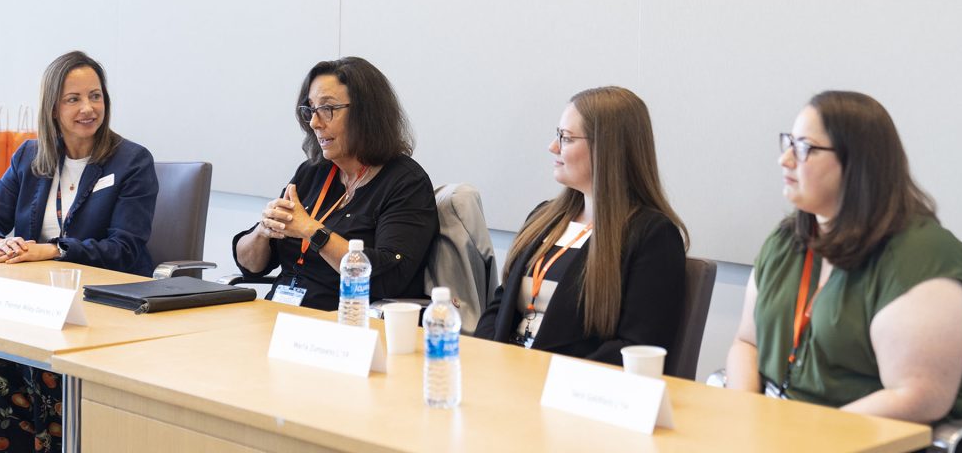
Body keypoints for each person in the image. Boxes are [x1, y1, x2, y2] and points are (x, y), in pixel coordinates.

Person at [725, 90, 962, 423]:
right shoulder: (785, 243)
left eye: (805, 148)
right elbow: (747, 343)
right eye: (789, 142)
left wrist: (809, 436)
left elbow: (919, 396)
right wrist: (743, 417)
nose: (785, 159)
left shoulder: (922, 257)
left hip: (870, 438)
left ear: (858, 163)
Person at [0, 50, 158, 453]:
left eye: (96, 96)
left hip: (101, 308)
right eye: (73, 99)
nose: (88, 108)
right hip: (34, 301)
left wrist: (52, 251)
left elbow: (124, 249)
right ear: (53, 107)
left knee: (40, 369)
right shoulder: (31, 156)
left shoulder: (131, 161)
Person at [474, 86, 688, 366]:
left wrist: (542, 374)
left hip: (572, 391)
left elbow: (637, 346)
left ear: (607, 148)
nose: (553, 147)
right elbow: (500, 306)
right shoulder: (543, 218)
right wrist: (488, 360)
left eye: (566, 138)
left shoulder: (652, 236)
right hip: (508, 378)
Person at [233, 56, 438, 311]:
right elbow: (251, 265)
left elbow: (389, 278)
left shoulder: (405, 183)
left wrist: (312, 231)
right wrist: (262, 232)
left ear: (366, 114)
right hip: (279, 315)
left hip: (342, 324)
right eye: (310, 109)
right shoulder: (312, 173)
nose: (314, 123)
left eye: (327, 109)